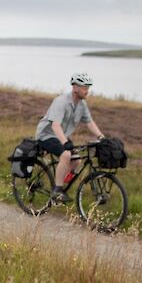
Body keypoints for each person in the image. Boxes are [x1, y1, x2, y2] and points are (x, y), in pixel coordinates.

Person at [35, 72, 106, 202]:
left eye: (88, 88)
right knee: (66, 155)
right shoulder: (61, 101)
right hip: (47, 135)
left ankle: (60, 178)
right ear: (75, 88)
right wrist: (65, 143)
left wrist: (101, 137)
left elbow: (89, 122)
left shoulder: (82, 104)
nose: (87, 91)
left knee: (77, 159)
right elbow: (55, 125)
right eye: (84, 88)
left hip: (62, 136)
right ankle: (57, 191)